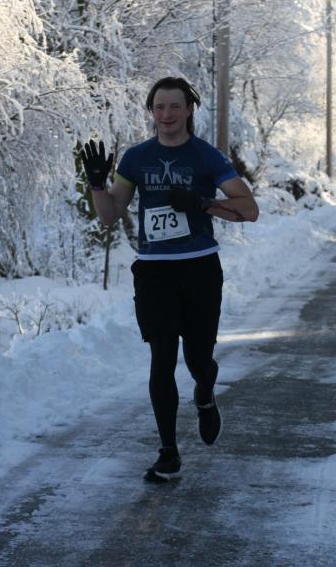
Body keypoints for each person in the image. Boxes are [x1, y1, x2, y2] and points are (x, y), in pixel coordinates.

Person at [78, 76, 260, 482]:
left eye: (174, 107)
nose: (166, 115)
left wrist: (203, 202)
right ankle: (168, 452)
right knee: (161, 358)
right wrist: (96, 184)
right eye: (159, 107)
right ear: (151, 111)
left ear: (189, 110)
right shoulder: (136, 159)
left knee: (197, 359)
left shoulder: (206, 157)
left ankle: (205, 392)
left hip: (199, 268)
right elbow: (110, 216)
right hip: (154, 270)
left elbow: (249, 209)